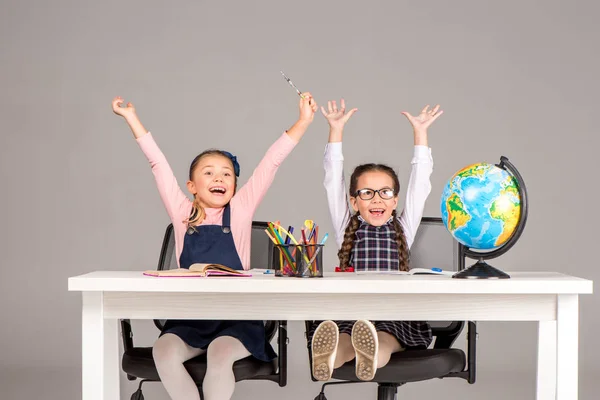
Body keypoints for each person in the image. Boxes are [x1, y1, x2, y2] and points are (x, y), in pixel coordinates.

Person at [112, 93, 318, 400]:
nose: (219, 178)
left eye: (226, 174)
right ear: (191, 186)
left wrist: (303, 121)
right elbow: (158, 164)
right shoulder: (183, 215)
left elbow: (271, 163)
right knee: (164, 350)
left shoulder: (241, 210)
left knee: (220, 354)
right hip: (191, 319)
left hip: (238, 319)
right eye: (208, 173)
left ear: (235, 185)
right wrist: (132, 118)